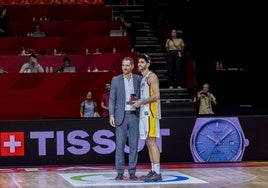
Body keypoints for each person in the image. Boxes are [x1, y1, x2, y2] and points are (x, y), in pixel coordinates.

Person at [109, 56, 142, 180]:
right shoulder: (115, 80)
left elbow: (142, 96)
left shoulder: (138, 79)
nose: (125, 67)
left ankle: (132, 172)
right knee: (119, 146)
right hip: (120, 116)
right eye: (123, 65)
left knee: (134, 146)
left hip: (134, 116)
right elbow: (112, 99)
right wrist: (111, 115)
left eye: (127, 65)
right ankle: (120, 172)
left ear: (132, 67)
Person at [133, 54, 162, 182]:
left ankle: (158, 173)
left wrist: (141, 103)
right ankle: (153, 171)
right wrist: (138, 102)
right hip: (144, 113)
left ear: (148, 64)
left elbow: (157, 95)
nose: (139, 64)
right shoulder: (143, 79)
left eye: (142, 62)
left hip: (150, 113)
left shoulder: (152, 76)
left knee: (152, 142)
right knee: (148, 142)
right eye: (138, 62)